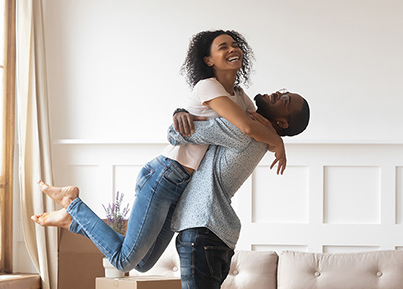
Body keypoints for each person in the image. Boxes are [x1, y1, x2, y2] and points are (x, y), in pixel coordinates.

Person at [31, 30, 307, 275]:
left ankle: (73, 220)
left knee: (143, 263)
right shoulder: (207, 86)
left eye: (235, 44)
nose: (233, 49)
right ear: (208, 60)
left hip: (180, 186)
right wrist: (278, 143)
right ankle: (73, 203)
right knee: (124, 261)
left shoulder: (240, 96)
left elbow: (255, 121)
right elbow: (246, 127)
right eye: (223, 47)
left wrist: (274, 139)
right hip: (165, 174)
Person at [169, 90, 309, 289]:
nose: (278, 93)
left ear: (282, 123)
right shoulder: (254, 131)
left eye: (285, 100)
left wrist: (180, 115)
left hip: (203, 230)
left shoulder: (245, 128)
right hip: (213, 236)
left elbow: (175, 134)